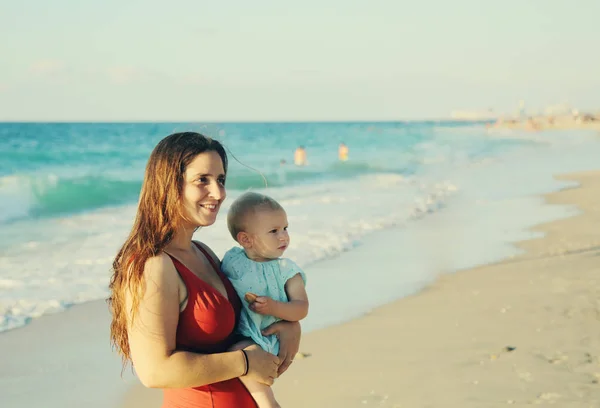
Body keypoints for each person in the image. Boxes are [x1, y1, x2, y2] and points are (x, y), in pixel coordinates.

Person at [107, 132, 302, 408]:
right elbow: (154, 371)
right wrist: (244, 362)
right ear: (168, 184)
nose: (219, 193)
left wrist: (289, 326)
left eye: (220, 180)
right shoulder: (154, 265)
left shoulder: (205, 254)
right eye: (202, 180)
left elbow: (237, 329)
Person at [222, 192, 309, 408]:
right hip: (241, 330)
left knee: (240, 352)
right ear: (245, 239)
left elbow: (301, 308)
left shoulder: (285, 270)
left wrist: (274, 307)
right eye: (274, 231)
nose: (284, 237)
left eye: (285, 228)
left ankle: (268, 403)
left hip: (266, 337)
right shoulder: (233, 260)